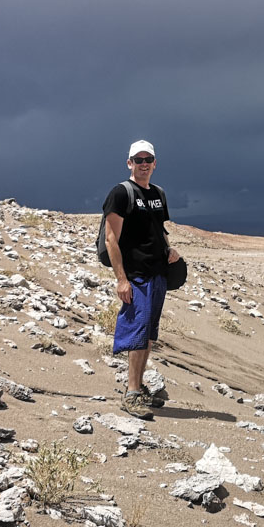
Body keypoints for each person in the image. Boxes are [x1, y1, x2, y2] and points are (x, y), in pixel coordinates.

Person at [102, 139, 180, 420]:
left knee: (147, 334)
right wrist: (121, 279)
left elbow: (159, 228)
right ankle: (132, 394)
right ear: (129, 163)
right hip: (136, 275)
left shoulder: (158, 193)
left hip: (158, 273)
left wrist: (169, 249)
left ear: (154, 163)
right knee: (137, 332)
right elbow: (111, 239)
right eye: (138, 160)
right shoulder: (121, 193)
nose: (143, 164)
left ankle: (137, 387)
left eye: (148, 160)